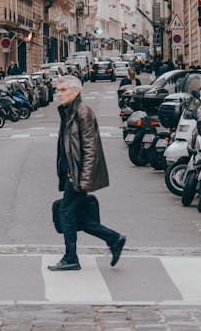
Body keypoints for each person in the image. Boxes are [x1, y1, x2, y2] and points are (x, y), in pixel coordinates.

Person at [49, 75, 126, 271]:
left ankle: (71, 258)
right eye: (58, 90)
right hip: (71, 173)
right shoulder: (69, 112)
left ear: (75, 92)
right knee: (77, 216)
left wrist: (84, 179)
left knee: (66, 213)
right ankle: (114, 238)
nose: (58, 93)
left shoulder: (83, 113)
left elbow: (91, 148)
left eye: (63, 90)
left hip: (77, 175)